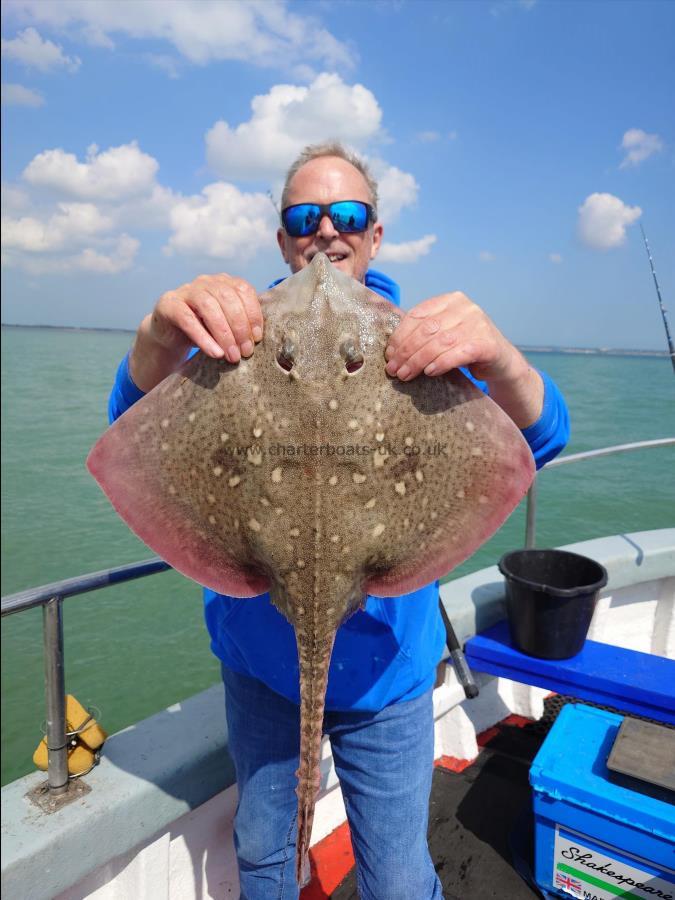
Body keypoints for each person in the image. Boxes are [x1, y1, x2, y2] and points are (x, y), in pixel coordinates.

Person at [109, 142, 569, 900]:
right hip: (260, 671)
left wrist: (501, 360)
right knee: (264, 850)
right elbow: (131, 437)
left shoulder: (420, 343)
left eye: (347, 214)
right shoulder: (237, 336)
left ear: (375, 234)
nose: (326, 232)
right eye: (304, 217)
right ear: (283, 238)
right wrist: (159, 336)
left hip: (389, 677)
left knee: (392, 873)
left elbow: (539, 441)